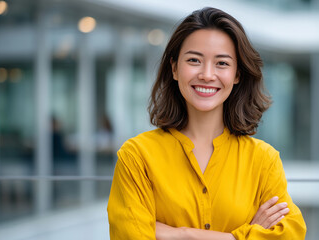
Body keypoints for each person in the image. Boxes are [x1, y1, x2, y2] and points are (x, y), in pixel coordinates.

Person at [107, 7, 306, 240]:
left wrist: (178, 234)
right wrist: (247, 235)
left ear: (237, 74)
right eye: (194, 60)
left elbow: (290, 233)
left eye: (222, 63)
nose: (207, 75)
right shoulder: (137, 157)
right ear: (174, 68)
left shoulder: (263, 160)